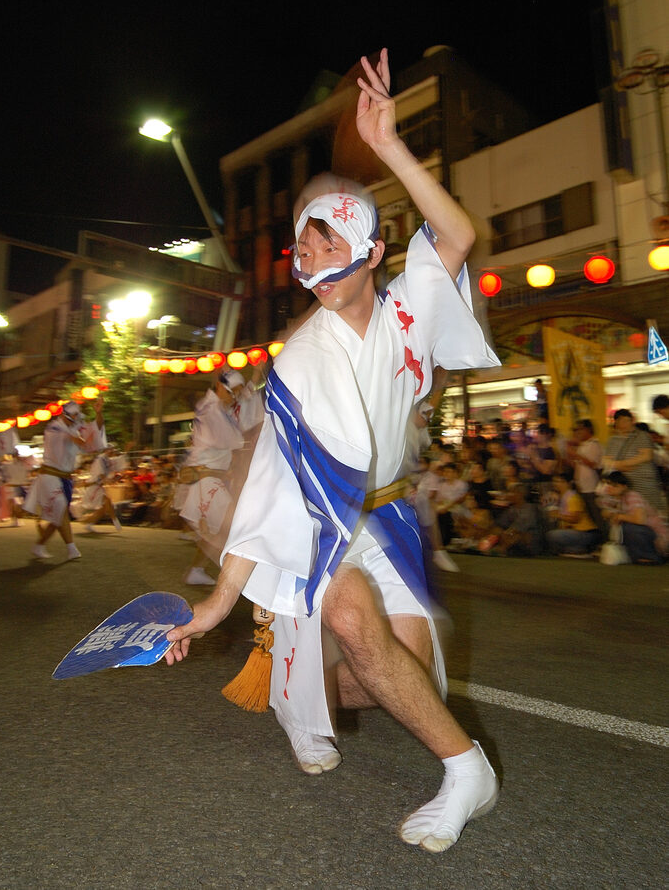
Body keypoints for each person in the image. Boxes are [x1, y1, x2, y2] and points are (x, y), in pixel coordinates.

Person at [165, 49, 500, 853]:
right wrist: (216, 601)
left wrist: (385, 145)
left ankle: (293, 687)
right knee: (350, 615)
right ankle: (467, 771)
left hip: (387, 521)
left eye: (320, 247)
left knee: (380, 684)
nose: (306, 262)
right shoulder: (300, 361)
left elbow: (457, 231)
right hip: (325, 522)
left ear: (370, 252)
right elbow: (274, 487)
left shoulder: (406, 309)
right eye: (300, 253)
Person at [178, 369, 264, 585]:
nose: (235, 396)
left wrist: (253, 382)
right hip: (205, 477)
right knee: (232, 522)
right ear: (219, 387)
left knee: (220, 528)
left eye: (237, 392)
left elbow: (242, 408)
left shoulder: (220, 408)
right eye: (231, 391)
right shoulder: (211, 411)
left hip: (210, 476)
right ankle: (236, 577)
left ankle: (197, 570)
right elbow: (233, 437)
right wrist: (248, 391)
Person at [23, 398, 106, 559]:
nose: (77, 419)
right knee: (60, 506)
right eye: (74, 416)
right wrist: (84, 441)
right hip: (49, 475)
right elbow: (76, 439)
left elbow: (96, 429)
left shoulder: (74, 427)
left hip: (65, 478)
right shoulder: (53, 428)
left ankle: (39, 545)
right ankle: (72, 549)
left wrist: (98, 413)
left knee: (58, 515)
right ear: (65, 415)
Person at [603, 409, 665, 513]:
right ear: (616, 422)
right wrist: (619, 466)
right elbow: (606, 461)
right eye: (622, 421)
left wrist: (621, 464)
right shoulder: (612, 440)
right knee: (631, 513)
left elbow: (646, 456)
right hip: (623, 486)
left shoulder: (642, 436)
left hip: (644, 484)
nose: (625, 424)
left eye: (627, 420)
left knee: (650, 514)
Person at [599, 471, 668, 564]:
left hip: (656, 536)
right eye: (608, 484)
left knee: (628, 528)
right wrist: (612, 515)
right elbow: (605, 512)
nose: (609, 488)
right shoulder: (616, 499)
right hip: (646, 533)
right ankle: (638, 555)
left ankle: (651, 556)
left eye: (614, 485)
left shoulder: (632, 496)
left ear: (624, 486)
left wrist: (619, 516)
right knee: (619, 527)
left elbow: (640, 519)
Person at [546, 470, 599, 557]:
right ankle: (577, 549)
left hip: (586, 532)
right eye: (555, 481)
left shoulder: (573, 497)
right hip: (576, 532)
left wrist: (558, 515)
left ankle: (581, 548)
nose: (556, 484)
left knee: (552, 535)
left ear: (568, 483)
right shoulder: (562, 497)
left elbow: (575, 519)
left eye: (560, 481)